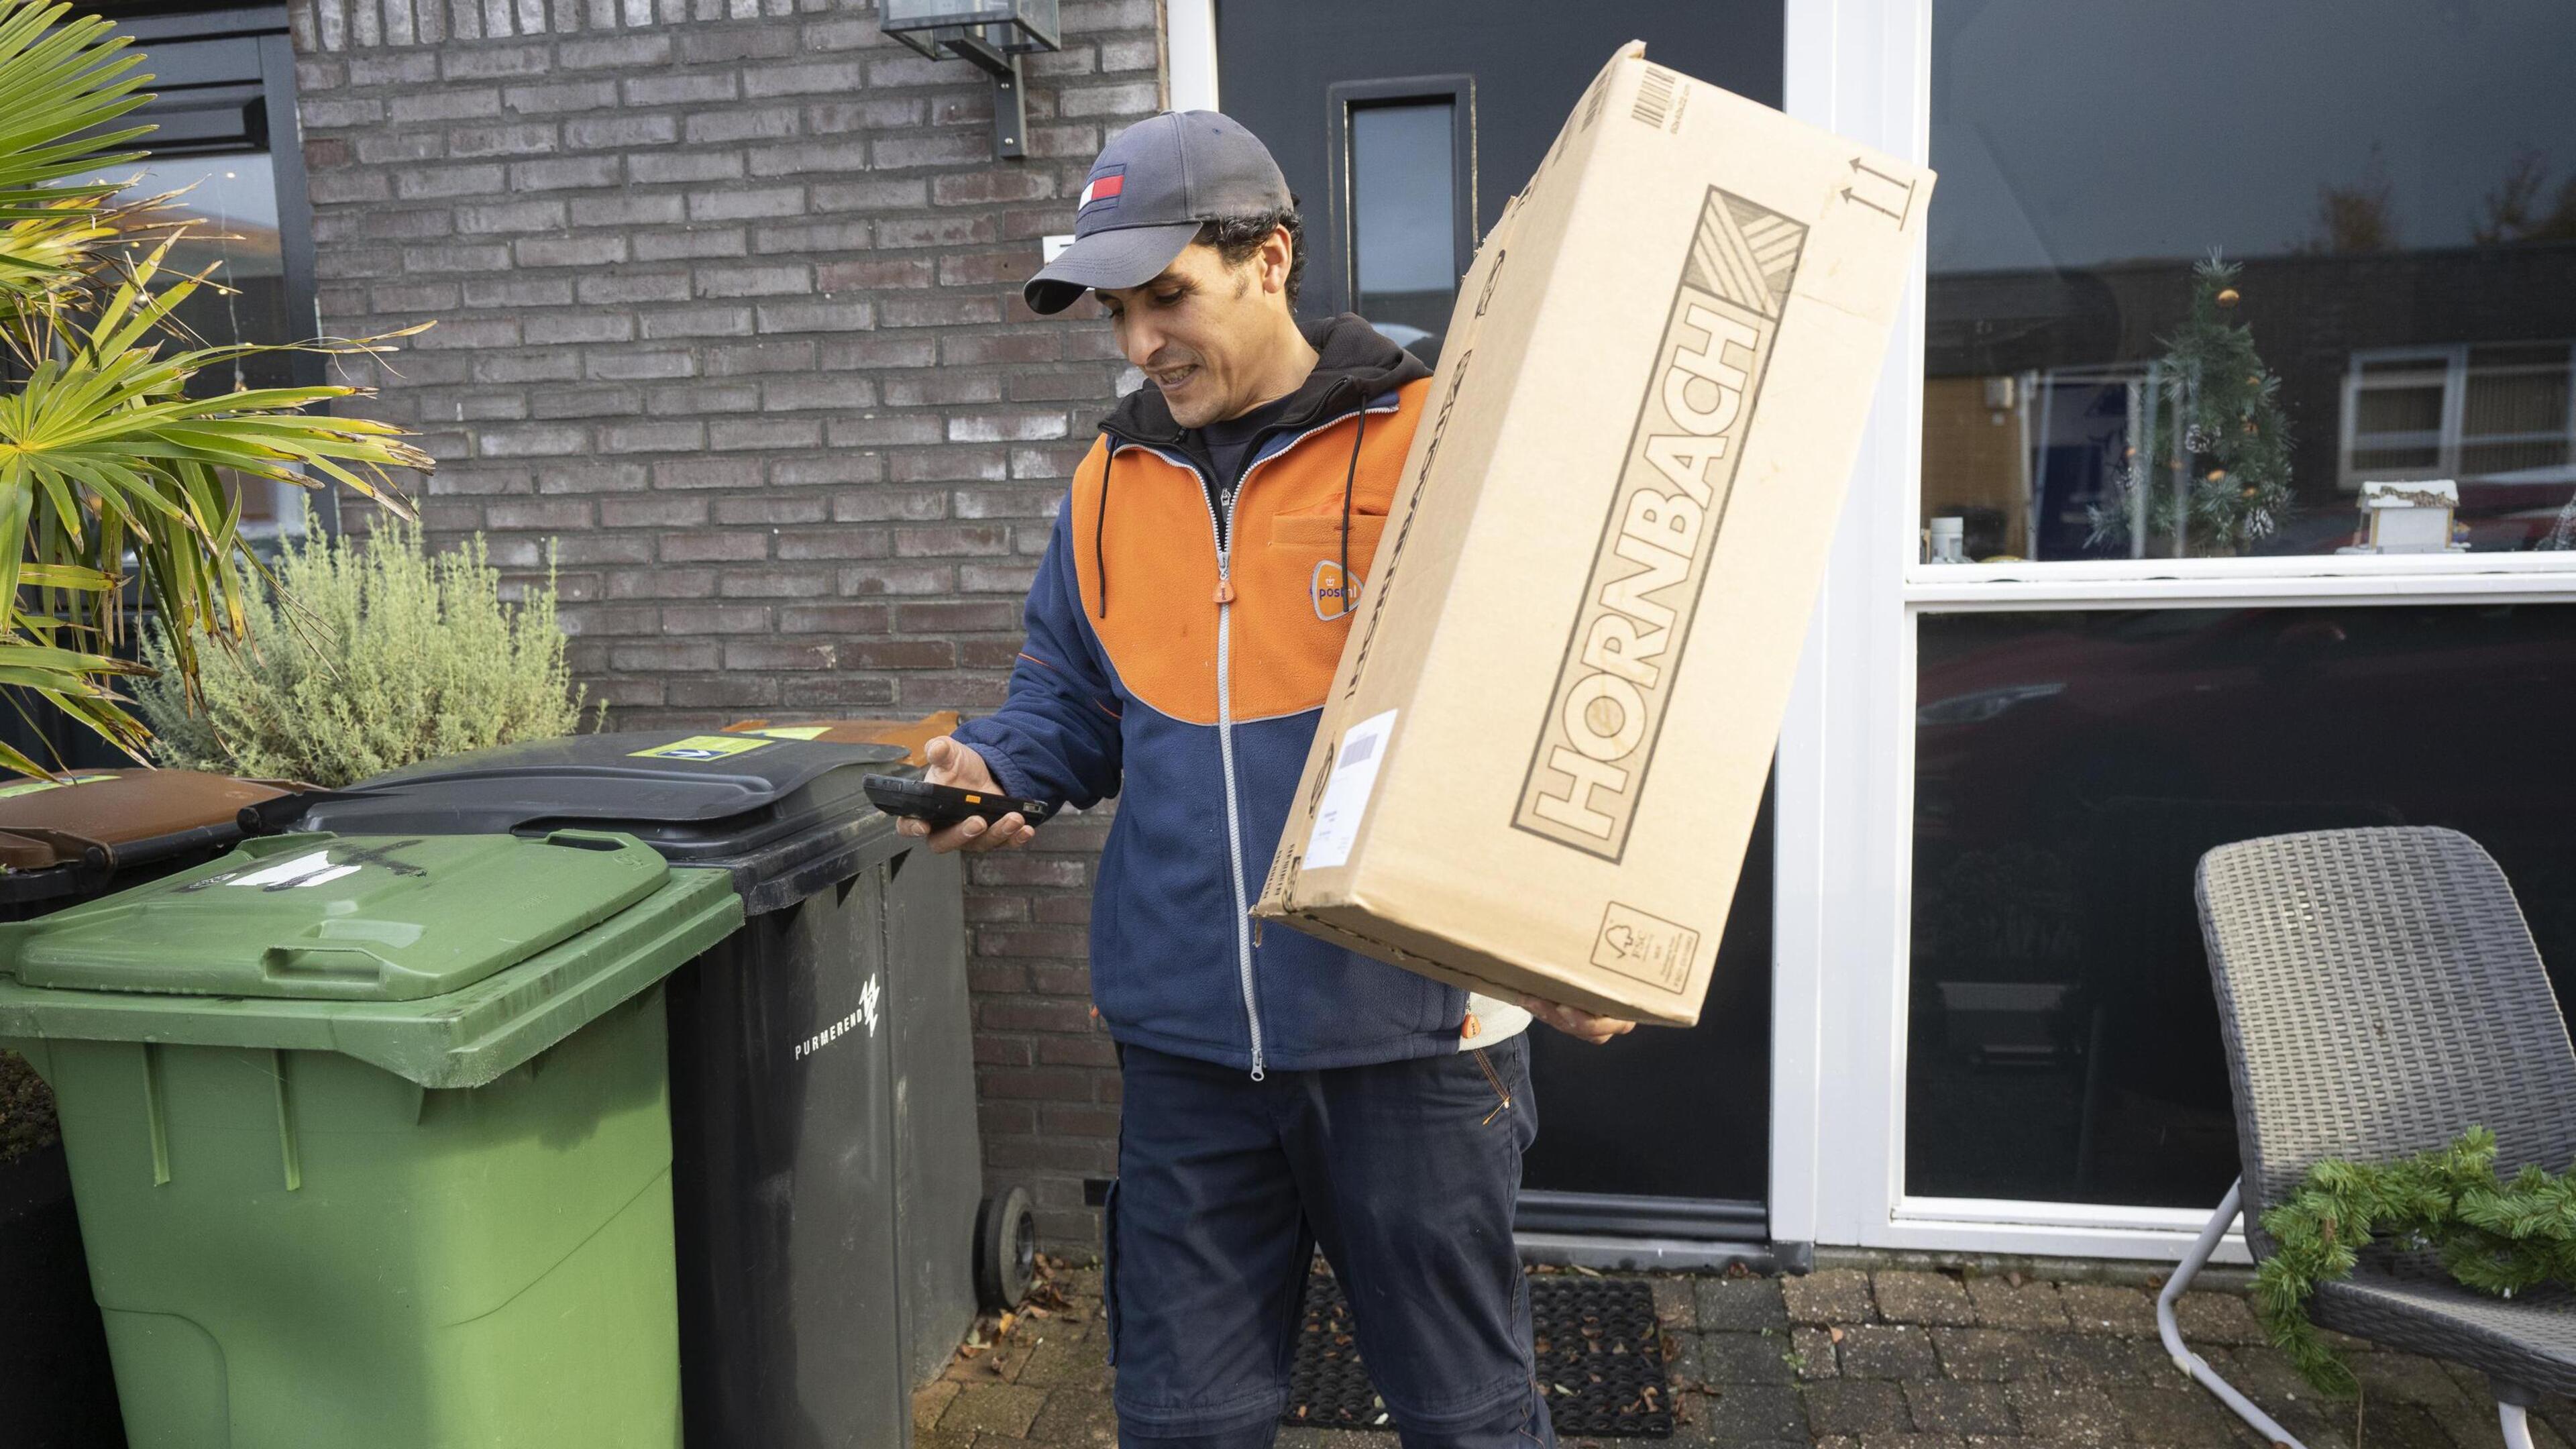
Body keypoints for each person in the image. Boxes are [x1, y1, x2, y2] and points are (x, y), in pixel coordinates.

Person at [899, 109, 1634, 1449]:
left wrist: (1576, 921)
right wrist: (996, 766)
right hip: (1185, 1052)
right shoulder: (1111, 484)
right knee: (1183, 1423)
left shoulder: (1434, 437)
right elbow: (1070, 698)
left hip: (1409, 1045)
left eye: (1167, 296)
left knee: (1471, 1421)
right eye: (1116, 311)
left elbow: (1558, 695)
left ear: (1273, 256)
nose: (1136, 345)